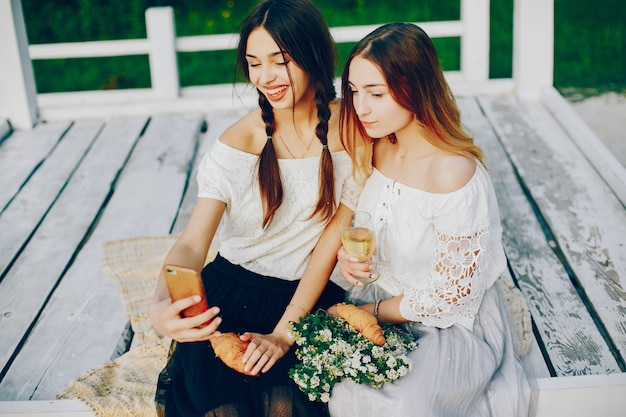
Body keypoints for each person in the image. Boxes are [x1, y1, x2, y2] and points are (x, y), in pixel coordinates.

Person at [148, 1, 361, 416]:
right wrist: (159, 307)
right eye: (253, 63)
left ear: (315, 56)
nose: (265, 77)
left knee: (285, 405)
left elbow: (328, 247)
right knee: (220, 408)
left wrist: (284, 334)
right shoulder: (239, 142)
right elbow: (193, 243)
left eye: (279, 61)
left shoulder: (353, 129)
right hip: (231, 293)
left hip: (311, 297)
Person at [327, 22, 531, 417]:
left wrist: (372, 314)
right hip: (376, 300)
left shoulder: (452, 172)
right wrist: (347, 260)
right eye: (354, 91)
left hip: (447, 324)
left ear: (415, 88)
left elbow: (451, 293)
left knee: (404, 404)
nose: (360, 107)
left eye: (376, 93)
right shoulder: (377, 147)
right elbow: (364, 225)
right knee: (335, 389)